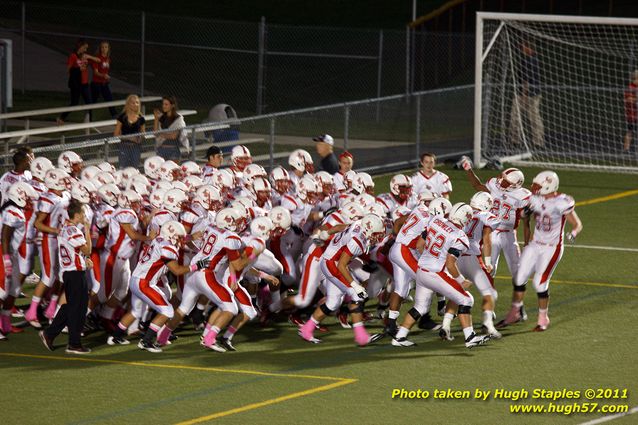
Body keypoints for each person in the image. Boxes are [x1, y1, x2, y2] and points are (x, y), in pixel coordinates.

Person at [499, 171, 582, 332]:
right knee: (519, 277)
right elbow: (523, 215)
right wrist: (525, 213)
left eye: (538, 186)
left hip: (552, 247)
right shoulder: (535, 199)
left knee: (539, 283)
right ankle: (515, 312)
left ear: (549, 186)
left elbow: (577, 224)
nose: (534, 188)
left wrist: (573, 233)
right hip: (535, 244)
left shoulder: (562, 202)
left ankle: (543, 317)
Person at [39, 200, 93, 354]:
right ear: (76, 215)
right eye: (82, 213)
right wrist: (87, 230)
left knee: (74, 306)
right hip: (74, 273)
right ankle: (73, 343)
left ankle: (49, 334)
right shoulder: (74, 230)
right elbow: (88, 249)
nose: (84, 216)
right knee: (77, 309)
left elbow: (74, 250)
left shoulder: (65, 229)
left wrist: (83, 259)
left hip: (71, 272)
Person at [509, 39, 544, 147]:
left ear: (529, 47)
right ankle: (536, 141)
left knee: (518, 116)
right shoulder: (534, 59)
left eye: (523, 46)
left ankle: (519, 141)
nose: (521, 49)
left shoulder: (529, 60)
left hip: (527, 94)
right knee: (532, 117)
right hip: (533, 93)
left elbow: (526, 80)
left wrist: (524, 94)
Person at [57, 39, 99, 125]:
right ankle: (61, 117)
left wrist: (89, 56)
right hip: (76, 84)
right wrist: (78, 69)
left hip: (85, 83)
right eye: (85, 48)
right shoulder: (73, 56)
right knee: (74, 103)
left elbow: (98, 60)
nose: (86, 50)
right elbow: (69, 70)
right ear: (80, 47)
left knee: (89, 103)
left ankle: (89, 121)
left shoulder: (85, 56)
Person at [114, 94, 146, 169]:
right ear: (128, 104)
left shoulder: (141, 118)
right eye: (133, 102)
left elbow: (143, 134)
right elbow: (116, 134)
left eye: (137, 102)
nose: (135, 104)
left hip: (135, 147)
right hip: (124, 146)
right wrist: (129, 138)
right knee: (123, 169)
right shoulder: (122, 117)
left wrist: (140, 139)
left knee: (134, 169)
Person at [154, 96, 189, 161]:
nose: (163, 106)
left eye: (166, 104)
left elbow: (173, 136)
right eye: (163, 104)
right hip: (161, 150)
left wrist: (161, 134)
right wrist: (156, 119)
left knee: (173, 170)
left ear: (172, 105)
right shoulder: (161, 117)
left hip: (173, 150)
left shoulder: (178, 119)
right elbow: (156, 133)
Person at [90, 41, 117, 118]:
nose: (104, 49)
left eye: (106, 47)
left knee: (110, 99)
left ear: (108, 49)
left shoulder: (108, 59)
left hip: (104, 83)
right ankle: (88, 117)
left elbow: (106, 70)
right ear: (100, 48)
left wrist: (106, 77)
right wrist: (103, 75)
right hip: (96, 83)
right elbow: (95, 72)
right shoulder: (97, 58)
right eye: (102, 47)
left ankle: (115, 117)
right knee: (92, 101)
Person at [623, 70, 638, 154]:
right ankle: (626, 149)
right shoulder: (630, 87)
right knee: (630, 131)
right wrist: (636, 98)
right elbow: (628, 99)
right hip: (632, 114)